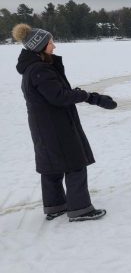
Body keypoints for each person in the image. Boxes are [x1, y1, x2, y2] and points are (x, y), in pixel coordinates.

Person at [13, 23, 116, 222]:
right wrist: (87, 95)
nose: (54, 46)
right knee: (75, 163)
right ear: (40, 46)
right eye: (50, 42)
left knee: (51, 165)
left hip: (45, 125)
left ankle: (55, 205)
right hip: (55, 125)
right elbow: (59, 96)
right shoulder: (39, 70)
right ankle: (80, 209)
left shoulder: (35, 68)